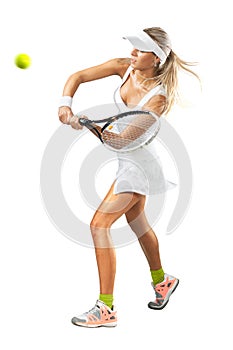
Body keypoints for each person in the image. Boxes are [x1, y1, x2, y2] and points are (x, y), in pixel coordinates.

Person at [58, 27, 199, 328]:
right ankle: (163, 281)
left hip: (138, 166)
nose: (133, 53)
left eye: (140, 50)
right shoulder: (124, 67)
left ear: (157, 59)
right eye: (133, 47)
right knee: (138, 224)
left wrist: (88, 126)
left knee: (99, 225)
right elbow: (78, 77)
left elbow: (121, 141)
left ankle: (105, 308)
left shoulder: (157, 100)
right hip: (126, 161)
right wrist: (65, 103)